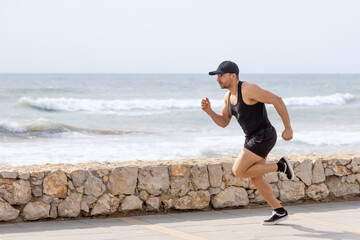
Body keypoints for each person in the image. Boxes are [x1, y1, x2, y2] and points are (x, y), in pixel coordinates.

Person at [201, 60, 294, 225]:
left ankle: (281, 166)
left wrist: (288, 128)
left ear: (233, 76)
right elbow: (223, 122)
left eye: (221, 75)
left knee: (238, 170)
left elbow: (277, 100)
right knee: (256, 178)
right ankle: (279, 211)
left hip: (264, 134)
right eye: (217, 76)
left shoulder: (248, 89)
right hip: (252, 137)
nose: (218, 79)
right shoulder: (228, 97)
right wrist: (209, 112)